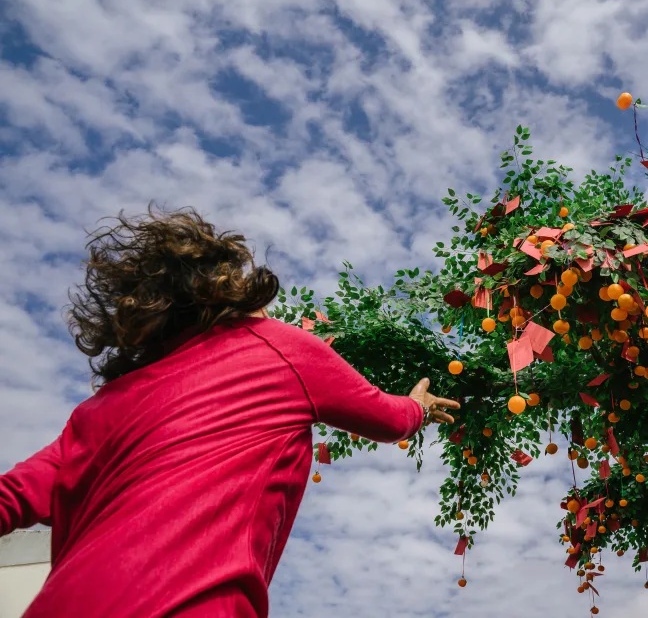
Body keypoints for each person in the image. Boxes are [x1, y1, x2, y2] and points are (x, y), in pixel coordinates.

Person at [0, 205, 459, 617]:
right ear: (225, 288)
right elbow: (387, 418)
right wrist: (417, 406)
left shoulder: (97, 411)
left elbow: (11, 497)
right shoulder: (280, 348)